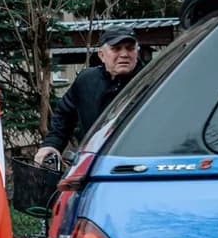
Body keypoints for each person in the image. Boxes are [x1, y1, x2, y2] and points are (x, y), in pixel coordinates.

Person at [35, 26, 143, 165]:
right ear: (101, 55)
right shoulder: (86, 81)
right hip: (92, 165)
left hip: (138, 163)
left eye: (130, 48)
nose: (124, 54)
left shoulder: (153, 81)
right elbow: (64, 115)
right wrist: (51, 144)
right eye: (116, 48)